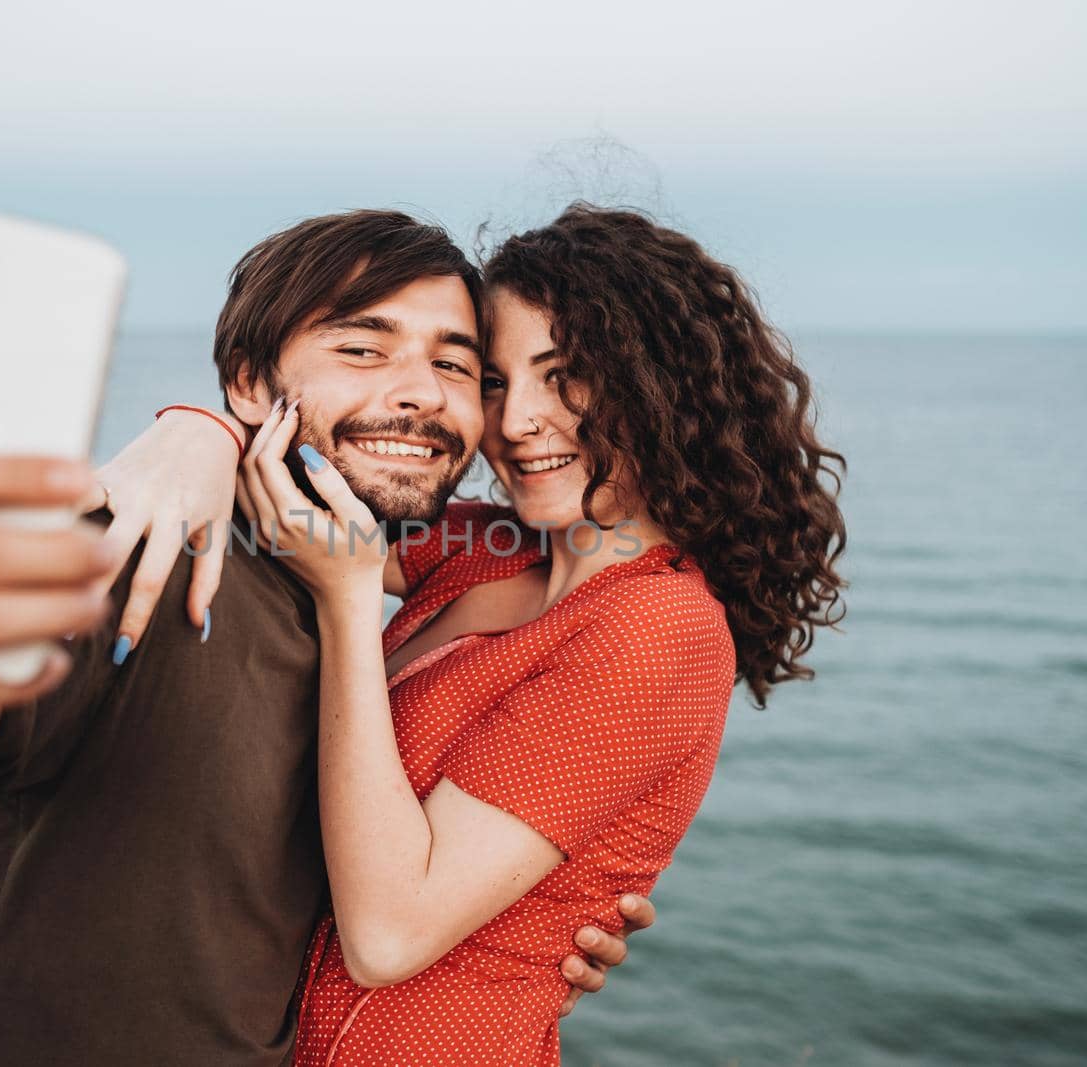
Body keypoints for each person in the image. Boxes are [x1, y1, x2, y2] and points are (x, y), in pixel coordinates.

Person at [0, 209, 648, 1066]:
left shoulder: (355, 594)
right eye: (363, 349)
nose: (423, 395)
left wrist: (540, 911)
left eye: (453, 363)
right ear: (247, 381)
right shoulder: (145, 560)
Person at [102, 204, 847, 1063]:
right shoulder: (496, 547)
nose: (517, 421)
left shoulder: (661, 627)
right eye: (494, 381)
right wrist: (193, 431)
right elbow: (312, 477)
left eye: (565, 375)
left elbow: (387, 935)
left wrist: (349, 604)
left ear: (659, 386)